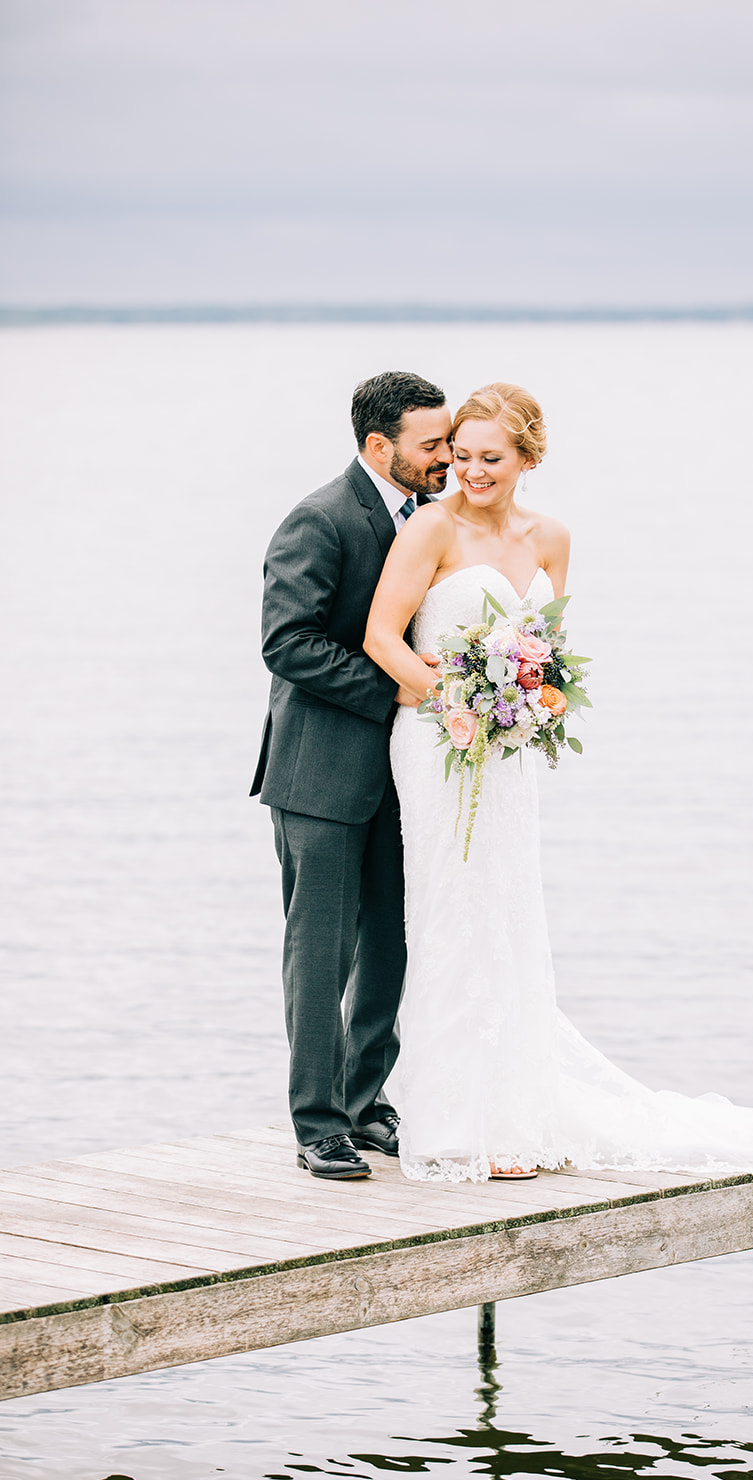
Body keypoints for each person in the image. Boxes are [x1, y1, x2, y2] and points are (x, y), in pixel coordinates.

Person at [365, 383, 753, 1185]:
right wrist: (458, 703)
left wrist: (526, 705)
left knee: (507, 911)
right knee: (448, 914)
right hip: (439, 745)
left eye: (488, 458)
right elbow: (381, 637)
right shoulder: (430, 528)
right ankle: (456, 1122)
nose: (468, 471)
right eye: (459, 456)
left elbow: (546, 648)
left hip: (504, 754)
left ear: (527, 458)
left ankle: (516, 1110)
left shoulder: (552, 538)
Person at [252, 371, 452, 1180]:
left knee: (391, 948)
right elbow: (288, 642)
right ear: (381, 446)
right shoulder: (321, 519)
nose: (446, 457)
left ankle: (366, 1103)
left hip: (410, 779)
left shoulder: (438, 522)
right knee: (321, 954)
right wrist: (396, 690)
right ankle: (317, 1123)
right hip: (322, 777)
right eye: (431, 444)